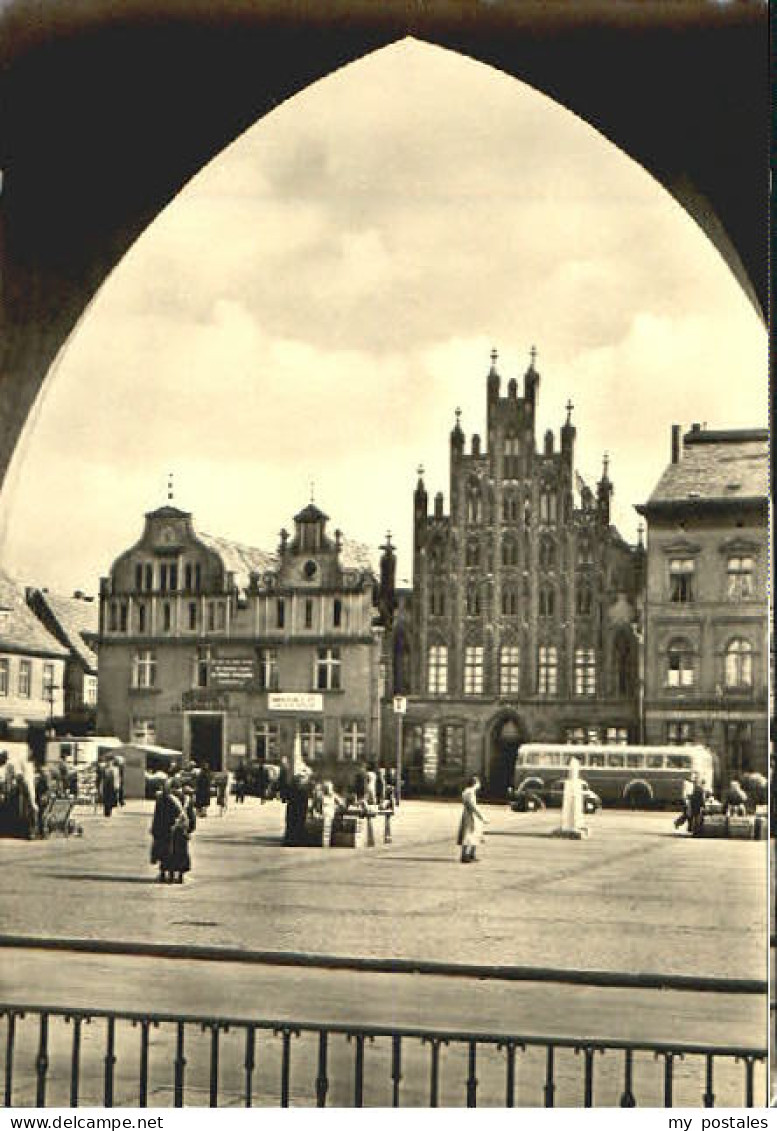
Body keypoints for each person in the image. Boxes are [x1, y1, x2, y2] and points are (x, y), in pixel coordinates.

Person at [150, 779, 183, 882]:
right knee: (174, 853)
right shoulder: (180, 799)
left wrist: (154, 829)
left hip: (163, 830)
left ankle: (164, 874)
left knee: (164, 853)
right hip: (175, 829)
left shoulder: (161, 799)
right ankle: (173, 874)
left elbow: (157, 816)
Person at [457, 776, 487, 863]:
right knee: (468, 835)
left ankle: (471, 854)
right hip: (470, 816)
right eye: (478, 783)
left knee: (475, 834)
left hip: (471, 815)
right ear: (475, 783)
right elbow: (472, 806)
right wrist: (481, 816)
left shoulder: (470, 791)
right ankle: (464, 855)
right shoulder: (469, 792)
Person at [168, 783, 193, 883]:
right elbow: (191, 816)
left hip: (171, 830)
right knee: (182, 853)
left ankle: (170, 875)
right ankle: (180, 876)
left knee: (171, 852)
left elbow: (164, 815)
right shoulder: (187, 800)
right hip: (183, 830)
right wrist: (190, 830)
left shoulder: (168, 799)